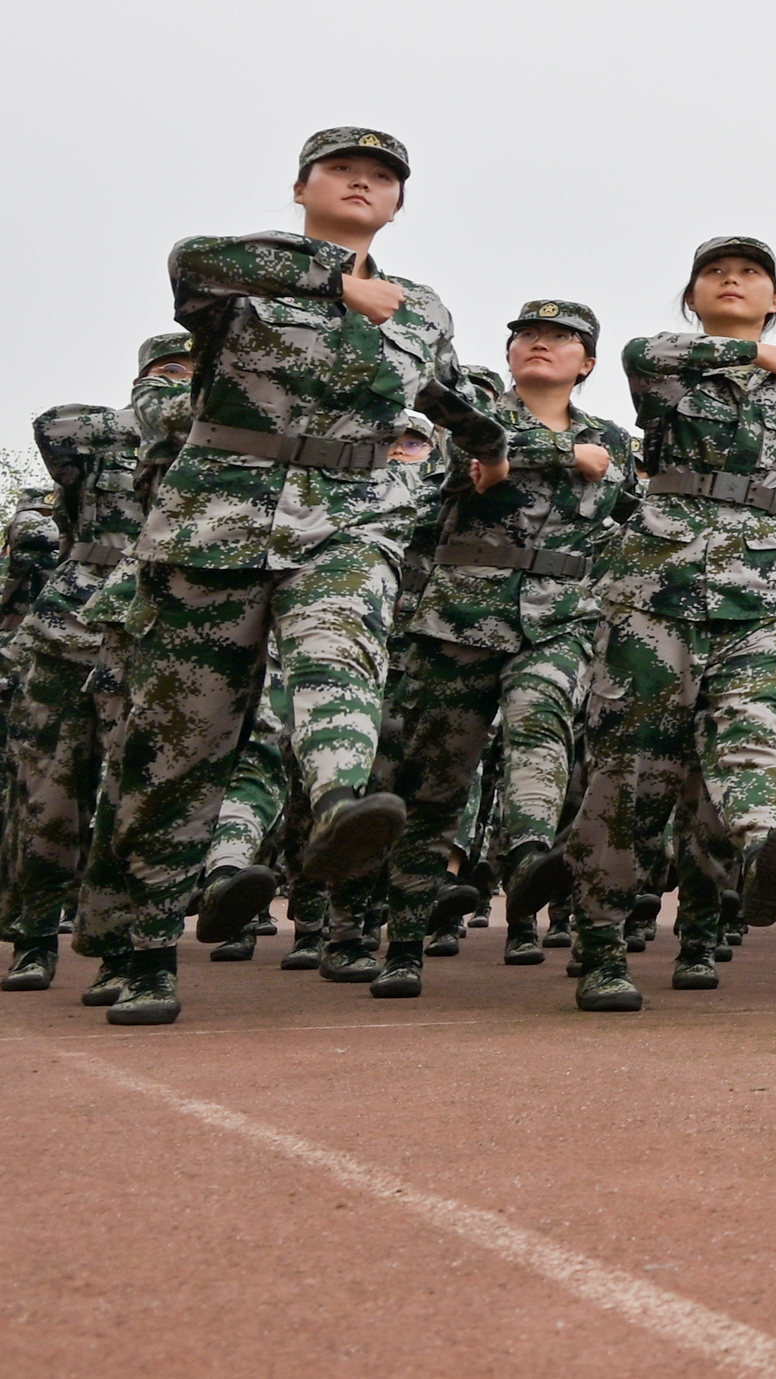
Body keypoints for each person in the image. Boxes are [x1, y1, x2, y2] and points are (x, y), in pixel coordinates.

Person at [78, 130, 507, 1025]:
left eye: (381, 176)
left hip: (350, 515)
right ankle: (146, 947)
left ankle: (344, 805)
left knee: (338, 650)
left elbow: (439, 389)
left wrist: (490, 445)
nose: (362, 182)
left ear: (398, 204)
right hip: (215, 520)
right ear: (302, 185)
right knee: (179, 742)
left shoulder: (420, 305)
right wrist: (331, 278)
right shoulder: (241, 275)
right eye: (342, 169)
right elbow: (190, 257)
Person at [543, 240, 776, 1010]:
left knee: (753, 727)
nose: (731, 280)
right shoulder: (667, 366)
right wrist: (753, 352)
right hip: (658, 586)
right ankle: (602, 945)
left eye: (751, 273)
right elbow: (640, 348)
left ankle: (764, 849)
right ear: (693, 297)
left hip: (762, 589)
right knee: (633, 771)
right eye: (715, 272)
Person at [365, 300, 642, 996]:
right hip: (458, 618)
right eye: (528, 335)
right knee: (434, 782)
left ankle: (528, 854)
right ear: (511, 352)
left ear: (587, 362)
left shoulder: (614, 440)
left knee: (539, 721)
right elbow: (435, 485)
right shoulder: (471, 419)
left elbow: (634, 514)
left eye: (561, 338)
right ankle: (405, 939)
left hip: (562, 618)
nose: (540, 344)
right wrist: (560, 454)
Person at [4, 334, 191, 995]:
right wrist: (157, 412)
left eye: (195, 373)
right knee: (46, 797)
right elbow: (52, 427)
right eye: (170, 371)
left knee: (129, 796)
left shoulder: (218, 453)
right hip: (68, 629)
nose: (183, 383)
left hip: (147, 632)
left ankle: (118, 950)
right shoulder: (102, 436)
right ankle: (32, 938)